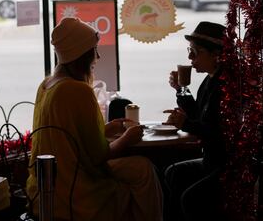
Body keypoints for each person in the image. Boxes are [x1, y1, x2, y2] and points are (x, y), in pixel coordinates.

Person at [26, 17, 163, 221]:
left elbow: (68, 136)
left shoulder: (46, 85)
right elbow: (98, 155)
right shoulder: (77, 89)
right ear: (82, 56)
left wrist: (106, 129)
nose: (97, 57)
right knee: (143, 169)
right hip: (73, 192)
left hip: (43, 189)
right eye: (94, 51)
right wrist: (128, 137)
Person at [163, 21, 227, 221]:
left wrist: (185, 124)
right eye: (189, 50)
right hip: (211, 161)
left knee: (190, 199)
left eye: (196, 52)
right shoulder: (210, 80)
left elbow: (218, 132)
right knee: (174, 173)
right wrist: (181, 89)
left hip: (226, 165)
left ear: (216, 54)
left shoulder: (226, 86)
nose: (190, 57)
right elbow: (198, 114)